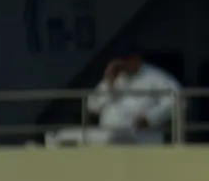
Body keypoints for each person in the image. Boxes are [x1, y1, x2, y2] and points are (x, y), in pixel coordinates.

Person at [45, 47, 182, 146]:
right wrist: (108, 84)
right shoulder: (114, 78)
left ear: (136, 59)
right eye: (120, 60)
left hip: (141, 136)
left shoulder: (155, 77)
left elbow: (177, 99)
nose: (123, 64)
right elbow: (93, 106)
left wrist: (151, 118)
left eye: (126, 60)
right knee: (60, 137)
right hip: (108, 135)